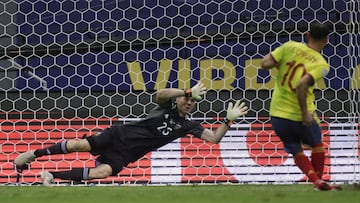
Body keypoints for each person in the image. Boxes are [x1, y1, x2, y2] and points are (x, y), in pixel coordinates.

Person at [14, 81, 248, 186]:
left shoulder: (188, 125)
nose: (188, 102)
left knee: (102, 172)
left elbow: (214, 138)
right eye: (185, 99)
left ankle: (52, 176)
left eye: (191, 101)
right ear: (178, 99)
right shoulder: (165, 105)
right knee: (77, 145)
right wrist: (186, 89)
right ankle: (33, 155)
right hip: (119, 135)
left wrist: (228, 120)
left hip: (127, 154)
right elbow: (160, 94)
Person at [261, 22, 341, 191]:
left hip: (277, 114)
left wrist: (281, 61)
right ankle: (319, 182)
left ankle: (317, 182)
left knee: (295, 149)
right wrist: (305, 113)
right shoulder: (322, 64)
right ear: (326, 40)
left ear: (307, 34)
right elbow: (302, 84)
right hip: (300, 115)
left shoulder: (289, 46)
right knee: (317, 144)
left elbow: (265, 63)